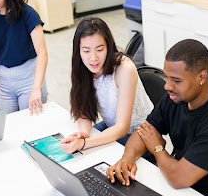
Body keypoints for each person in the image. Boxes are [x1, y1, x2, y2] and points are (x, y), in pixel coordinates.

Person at [106, 39, 208, 196]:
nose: (167, 85)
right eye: (166, 77)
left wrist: (157, 148)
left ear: (201, 77)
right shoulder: (176, 97)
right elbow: (144, 132)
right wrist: (127, 159)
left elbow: (179, 177)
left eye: (176, 80)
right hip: (180, 189)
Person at [60, 17, 153, 155]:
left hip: (142, 135)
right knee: (76, 151)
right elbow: (83, 109)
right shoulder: (83, 68)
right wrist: (84, 134)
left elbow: (122, 128)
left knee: (91, 155)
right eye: (86, 51)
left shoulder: (124, 69)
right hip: (113, 127)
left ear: (108, 47)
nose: (93, 58)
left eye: (99, 49)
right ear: (78, 51)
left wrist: (85, 143)